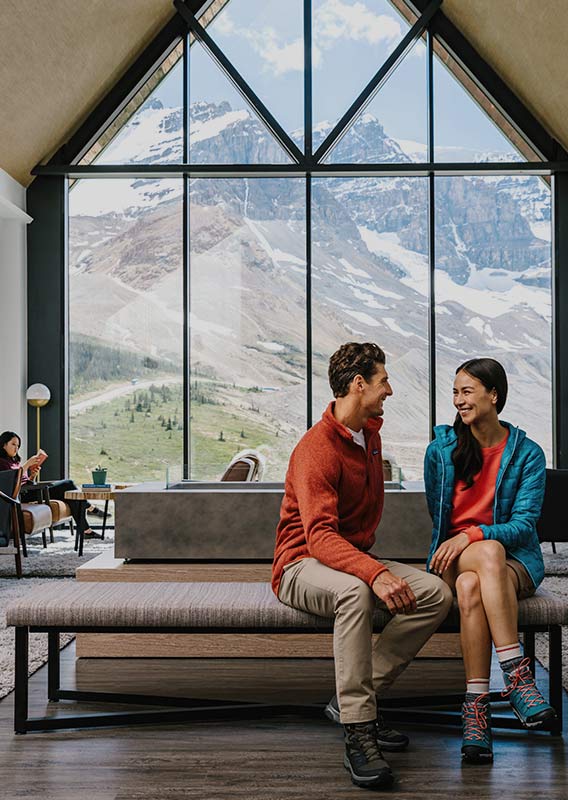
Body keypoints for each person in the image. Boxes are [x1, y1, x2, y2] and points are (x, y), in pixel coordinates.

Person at [272, 342, 453, 790]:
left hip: (348, 557)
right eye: (383, 381)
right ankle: (358, 728)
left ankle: (355, 701)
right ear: (359, 385)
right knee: (353, 592)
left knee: (435, 593)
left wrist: (372, 567)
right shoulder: (317, 449)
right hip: (301, 562)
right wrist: (374, 573)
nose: (389, 390)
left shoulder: (370, 435)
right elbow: (319, 537)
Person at [424, 357, 555, 765]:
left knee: (474, 581)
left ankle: (476, 708)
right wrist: (468, 540)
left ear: (493, 395)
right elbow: (438, 515)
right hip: (453, 558)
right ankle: (517, 677)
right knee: (480, 559)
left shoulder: (528, 453)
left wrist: (475, 533)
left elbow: (524, 525)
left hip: (514, 562)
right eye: (455, 392)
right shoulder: (440, 451)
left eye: (467, 391)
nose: (458, 400)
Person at [0, 430, 95, 538]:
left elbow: (24, 480)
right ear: (4, 445)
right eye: (13, 444)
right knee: (68, 483)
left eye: (18, 445)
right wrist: (27, 464)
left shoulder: (14, 462)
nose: (16, 448)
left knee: (70, 495)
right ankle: (89, 506)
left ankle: (86, 530)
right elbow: (11, 483)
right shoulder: (2, 462)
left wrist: (32, 476)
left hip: (30, 490)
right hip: (21, 495)